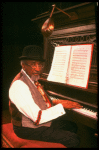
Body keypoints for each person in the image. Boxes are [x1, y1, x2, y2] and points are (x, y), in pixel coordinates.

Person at [9, 45, 82, 148]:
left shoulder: (32, 78)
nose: (38, 68)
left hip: (35, 122)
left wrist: (57, 101)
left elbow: (39, 98)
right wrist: (62, 106)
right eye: (33, 64)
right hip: (26, 128)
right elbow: (37, 118)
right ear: (23, 65)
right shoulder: (19, 85)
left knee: (71, 126)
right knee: (73, 139)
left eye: (40, 64)